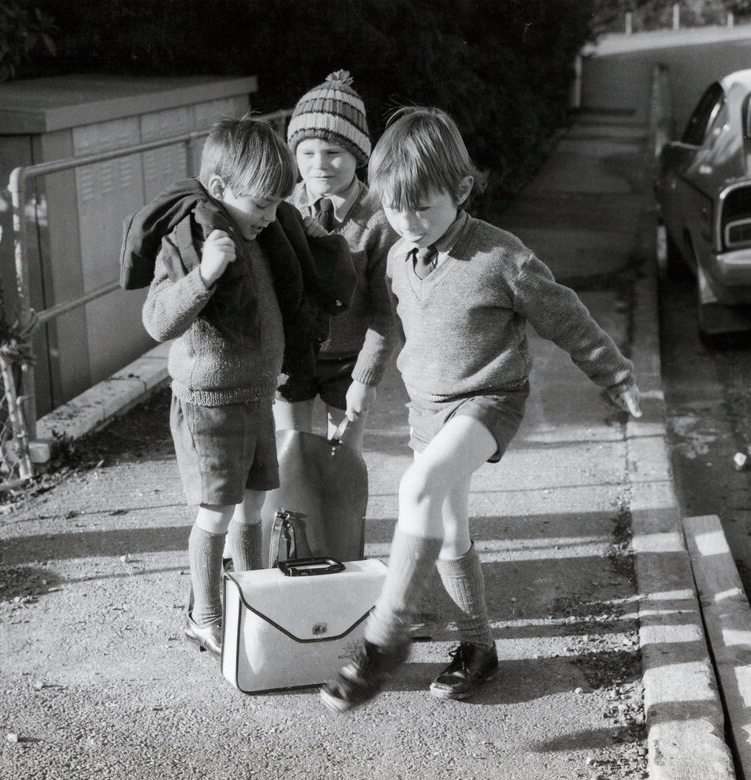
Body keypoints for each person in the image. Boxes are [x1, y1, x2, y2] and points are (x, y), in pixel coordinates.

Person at [319, 106, 643, 712]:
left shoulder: (501, 258)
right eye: (395, 208)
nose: (409, 222)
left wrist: (613, 374)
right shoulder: (396, 257)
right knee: (447, 535)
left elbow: (565, 316)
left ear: (462, 189)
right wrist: (364, 380)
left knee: (418, 487)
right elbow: (390, 327)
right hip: (427, 410)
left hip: (488, 402)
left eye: (424, 206)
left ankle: (384, 640)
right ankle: (479, 647)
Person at [124, 117, 355, 658]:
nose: (272, 217)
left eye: (279, 206)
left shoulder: (257, 232)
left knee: (254, 510)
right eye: (262, 206)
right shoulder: (194, 238)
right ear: (222, 190)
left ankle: (250, 604)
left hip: (255, 397)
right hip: (210, 407)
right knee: (215, 514)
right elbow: (158, 321)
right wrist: (203, 275)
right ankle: (205, 615)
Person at [275, 70, 398, 453]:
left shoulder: (379, 219)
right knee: (288, 454)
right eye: (307, 153)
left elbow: (386, 311)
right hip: (291, 355)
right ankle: (291, 517)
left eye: (333, 153)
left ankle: (342, 516)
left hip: (349, 361)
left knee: (341, 454)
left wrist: (367, 377)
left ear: (358, 155)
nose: (319, 165)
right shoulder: (280, 208)